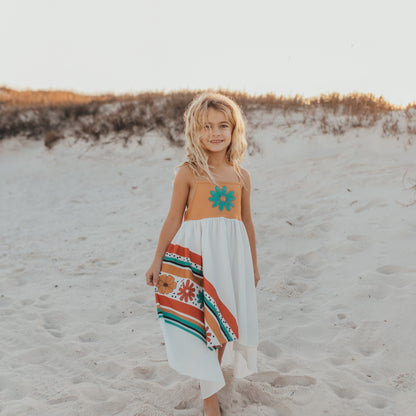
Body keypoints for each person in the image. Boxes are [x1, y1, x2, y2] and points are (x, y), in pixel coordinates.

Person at [145, 92, 259, 416]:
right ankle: (210, 399)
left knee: (223, 323)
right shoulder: (188, 173)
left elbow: (247, 222)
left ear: (234, 130)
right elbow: (172, 218)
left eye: (223, 125)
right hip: (195, 257)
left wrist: (252, 265)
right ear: (195, 131)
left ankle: (210, 382)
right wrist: (157, 260)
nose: (215, 133)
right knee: (200, 323)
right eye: (207, 127)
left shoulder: (241, 176)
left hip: (231, 259)